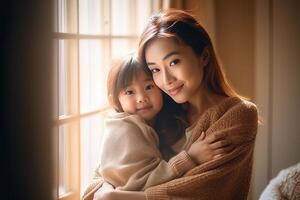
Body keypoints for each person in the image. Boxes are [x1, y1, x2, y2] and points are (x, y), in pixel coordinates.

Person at [83, 9, 258, 200]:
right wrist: (104, 190)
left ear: (204, 56)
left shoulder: (237, 114)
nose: (166, 80)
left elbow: (204, 193)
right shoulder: (157, 107)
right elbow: (108, 170)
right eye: (155, 69)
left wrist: (117, 197)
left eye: (174, 62)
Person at [92, 54, 231, 193]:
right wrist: (191, 157)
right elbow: (141, 184)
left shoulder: (156, 122)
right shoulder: (125, 129)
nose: (141, 98)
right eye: (129, 92)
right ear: (114, 101)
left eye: (149, 87)